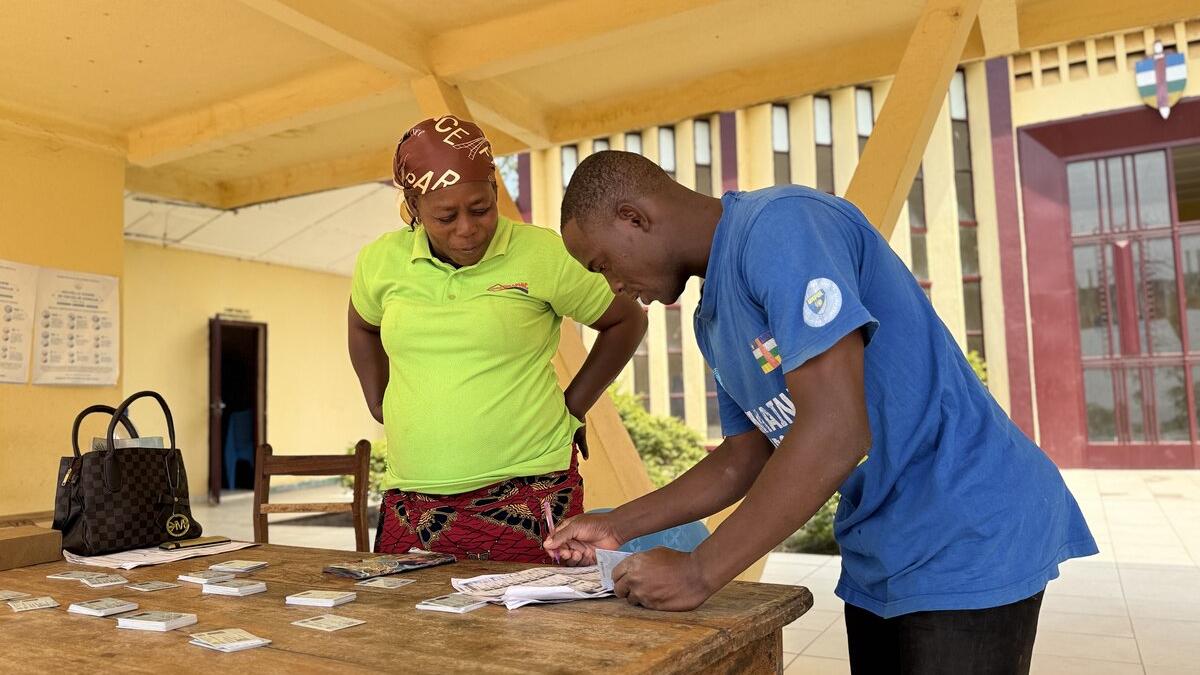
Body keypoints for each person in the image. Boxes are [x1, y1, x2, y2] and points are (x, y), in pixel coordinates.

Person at [545, 150, 1097, 674]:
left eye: (604, 264)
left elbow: (837, 432)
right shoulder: (711, 322)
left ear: (634, 217)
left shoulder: (781, 225)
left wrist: (699, 571)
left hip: (966, 520)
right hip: (884, 544)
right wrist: (616, 525)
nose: (614, 286)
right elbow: (743, 458)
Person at [348, 117, 646, 563]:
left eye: (481, 208)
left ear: (493, 188)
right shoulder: (380, 261)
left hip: (530, 490)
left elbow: (626, 320)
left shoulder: (543, 253)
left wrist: (574, 406)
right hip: (414, 499)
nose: (467, 228)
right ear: (413, 204)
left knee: (532, 609)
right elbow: (362, 325)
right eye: (446, 216)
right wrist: (378, 399)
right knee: (408, 608)